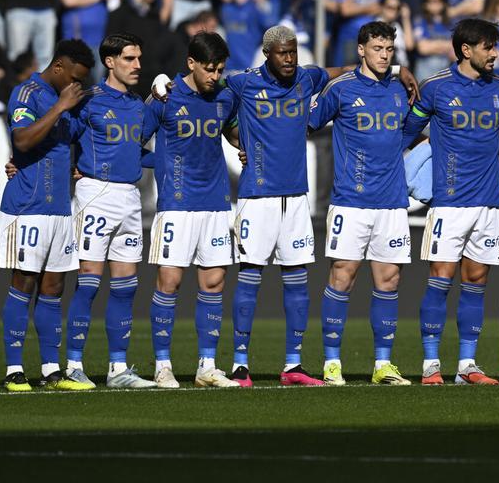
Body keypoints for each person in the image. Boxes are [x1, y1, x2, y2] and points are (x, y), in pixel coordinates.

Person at [221, 25, 375, 388]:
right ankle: (240, 363)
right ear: (266, 54)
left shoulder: (306, 77)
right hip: (256, 196)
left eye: (293, 52)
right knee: (250, 276)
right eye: (282, 53)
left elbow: (340, 71)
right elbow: (207, 95)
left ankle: (293, 365)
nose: (290, 59)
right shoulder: (242, 83)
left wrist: (398, 71)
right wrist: (233, 138)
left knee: (298, 280)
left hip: (296, 196)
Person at [402, 18, 499, 385]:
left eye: (495, 46)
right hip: (449, 202)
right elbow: (405, 134)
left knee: (477, 281)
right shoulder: (435, 89)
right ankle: (431, 364)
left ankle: (468, 365)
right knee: (440, 279)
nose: (495, 53)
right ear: (467, 50)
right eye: (488, 47)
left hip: (488, 201)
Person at [307, 21, 412, 386]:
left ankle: (383, 364)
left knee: (389, 280)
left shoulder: (400, 90)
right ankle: (331, 362)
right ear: (361, 50)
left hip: (393, 203)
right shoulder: (341, 89)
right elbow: (307, 121)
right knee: (343, 275)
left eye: (389, 50)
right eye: (377, 49)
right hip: (351, 201)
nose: (384, 55)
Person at [142, 32, 241, 388]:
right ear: (191, 64)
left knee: (213, 283)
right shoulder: (165, 97)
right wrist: (162, 162)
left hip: (215, 203)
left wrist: (240, 145)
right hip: (176, 205)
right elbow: (132, 138)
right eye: (209, 69)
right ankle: (163, 365)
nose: (215, 76)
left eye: (220, 69)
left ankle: (207, 366)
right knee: (169, 282)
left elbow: (230, 131)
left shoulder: (224, 97)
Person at [57, 34, 156, 389]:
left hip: (130, 196)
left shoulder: (138, 106)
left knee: (126, 287)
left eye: (139, 58)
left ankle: (118, 369)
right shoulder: (88, 102)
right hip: (96, 194)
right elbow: (60, 138)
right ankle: (72, 366)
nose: (138, 66)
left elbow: (135, 151)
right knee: (88, 283)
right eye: (129, 59)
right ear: (110, 62)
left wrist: (177, 161)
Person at [0, 38, 95, 392]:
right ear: (58, 68)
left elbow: (81, 140)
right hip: (27, 208)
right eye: (74, 78)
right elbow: (22, 140)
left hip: (59, 210)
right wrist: (61, 107)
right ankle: (13, 369)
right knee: (23, 283)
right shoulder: (27, 94)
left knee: (53, 288)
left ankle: (52, 369)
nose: (77, 85)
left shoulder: (69, 100)